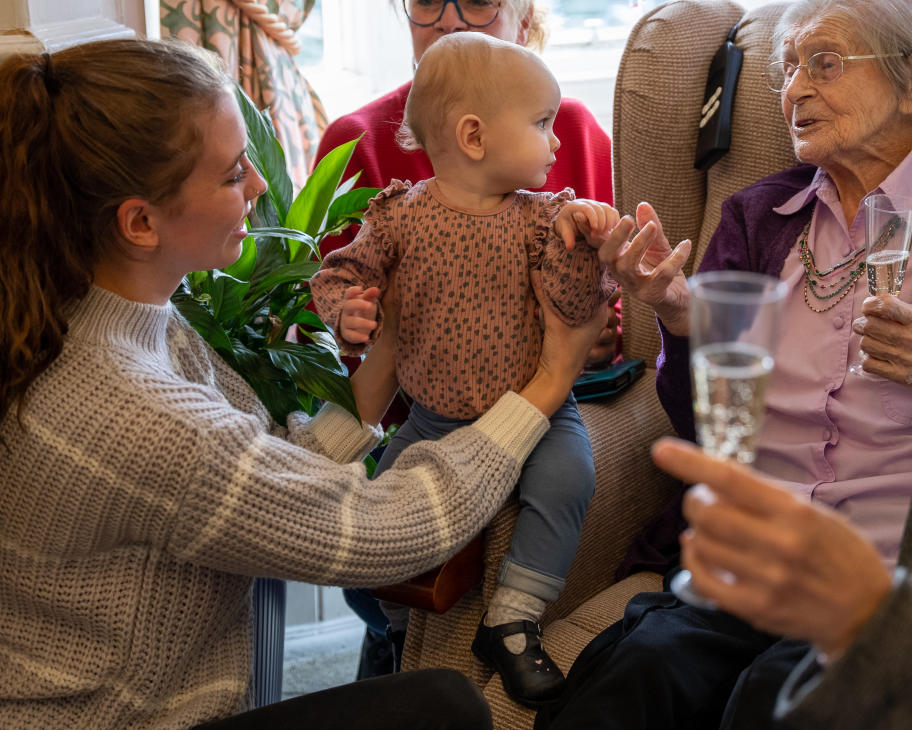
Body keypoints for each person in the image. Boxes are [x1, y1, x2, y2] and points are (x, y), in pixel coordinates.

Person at [0, 38, 608, 730]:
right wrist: (548, 382)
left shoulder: (116, 319)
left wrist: (382, 359)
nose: (259, 186)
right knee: (446, 709)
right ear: (140, 222)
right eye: (233, 174)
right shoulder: (137, 411)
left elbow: (267, 477)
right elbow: (392, 533)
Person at [535, 0, 912, 730]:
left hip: (884, 575)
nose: (794, 87)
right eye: (787, 67)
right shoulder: (760, 214)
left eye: (824, 62)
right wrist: (675, 311)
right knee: (638, 677)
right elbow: (699, 421)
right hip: (753, 552)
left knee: (772, 699)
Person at [310, 31, 619, 708]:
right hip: (429, 419)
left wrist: (586, 247)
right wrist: (347, 313)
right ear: (473, 136)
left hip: (540, 419)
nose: (557, 141)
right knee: (373, 530)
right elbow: (338, 272)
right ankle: (393, 628)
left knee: (570, 478)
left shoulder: (545, 219)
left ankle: (513, 616)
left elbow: (574, 310)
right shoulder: (399, 216)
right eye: (541, 124)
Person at [313, 0, 617, 369]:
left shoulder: (571, 130)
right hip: (412, 406)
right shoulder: (357, 141)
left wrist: (602, 332)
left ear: (524, 24)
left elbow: (615, 288)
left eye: (477, 1)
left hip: (560, 398)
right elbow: (323, 318)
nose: (449, 22)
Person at [649, 408, 912, 730]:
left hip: (878, 579)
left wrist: (869, 616)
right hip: (760, 565)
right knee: (648, 658)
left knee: (764, 688)